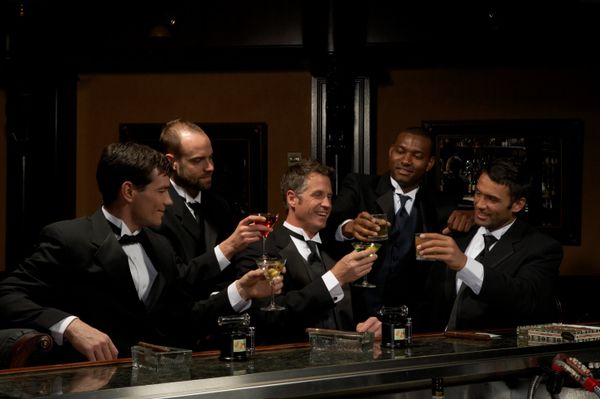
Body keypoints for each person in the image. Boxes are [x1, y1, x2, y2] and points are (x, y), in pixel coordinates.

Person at [0, 142, 282, 363]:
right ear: (129, 191)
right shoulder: (68, 238)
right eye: (161, 191)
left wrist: (240, 291)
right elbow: (7, 295)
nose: (169, 202)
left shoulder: (159, 244)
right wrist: (70, 326)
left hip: (152, 382)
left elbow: (184, 317)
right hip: (87, 381)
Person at [326, 126, 473, 329]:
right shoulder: (360, 186)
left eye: (417, 155)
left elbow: (478, 219)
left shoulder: (441, 205)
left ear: (429, 163)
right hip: (355, 314)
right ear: (391, 152)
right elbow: (330, 222)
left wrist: (471, 216)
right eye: (401, 151)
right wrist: (348, 227)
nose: (405, 161)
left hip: (412, 321)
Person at [236, 159, 377, 344]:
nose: (327, 204)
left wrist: (371, 324)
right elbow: (269, 317)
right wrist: (335, 277)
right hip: (294, 364)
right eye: (318, 195)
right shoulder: (261, 249)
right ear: (292, 198)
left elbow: (356, 306)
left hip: (349, 360)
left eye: (329, 196)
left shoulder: (340, 248)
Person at [416, 159, 562, 331]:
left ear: (517, 204)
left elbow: (525, 299)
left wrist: (464, 264)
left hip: (494, 353)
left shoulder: (541, 247)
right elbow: (429, 298)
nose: (479, 204)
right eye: (478, 193)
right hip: (438, 348)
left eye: (492, 199)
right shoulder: (458, 232)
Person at [156, 119, 267, 298]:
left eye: (210, 157)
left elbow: (239, 261)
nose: (210, 167)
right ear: (172, 162)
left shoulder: (219, 204)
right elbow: (176, 278)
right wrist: (229, 246)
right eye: (198, 160)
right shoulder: (157, 209)